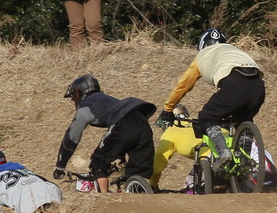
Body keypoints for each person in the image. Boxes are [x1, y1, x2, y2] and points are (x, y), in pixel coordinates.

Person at [158, 29, 265, 173]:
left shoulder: (202, 55)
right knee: (244, 121)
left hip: (234, 85)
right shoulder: (233, 50)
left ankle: (223, 152)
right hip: (258, 87)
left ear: (202, 45)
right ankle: (245, 162)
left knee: (207, 118)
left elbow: (183, 85)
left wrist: (168, 109)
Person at [53, 74, 156, 193]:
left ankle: (104, 198)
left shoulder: (87, 105)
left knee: (98, 162)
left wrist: (60, 166)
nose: (73, 101)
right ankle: (140, 190)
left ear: (78, 93)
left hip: (122, 123)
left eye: (73, 98)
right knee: (139, 169)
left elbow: (71, 137)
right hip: (142, 122)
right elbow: (126, 133)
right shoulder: (105, 100)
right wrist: (120, 155)